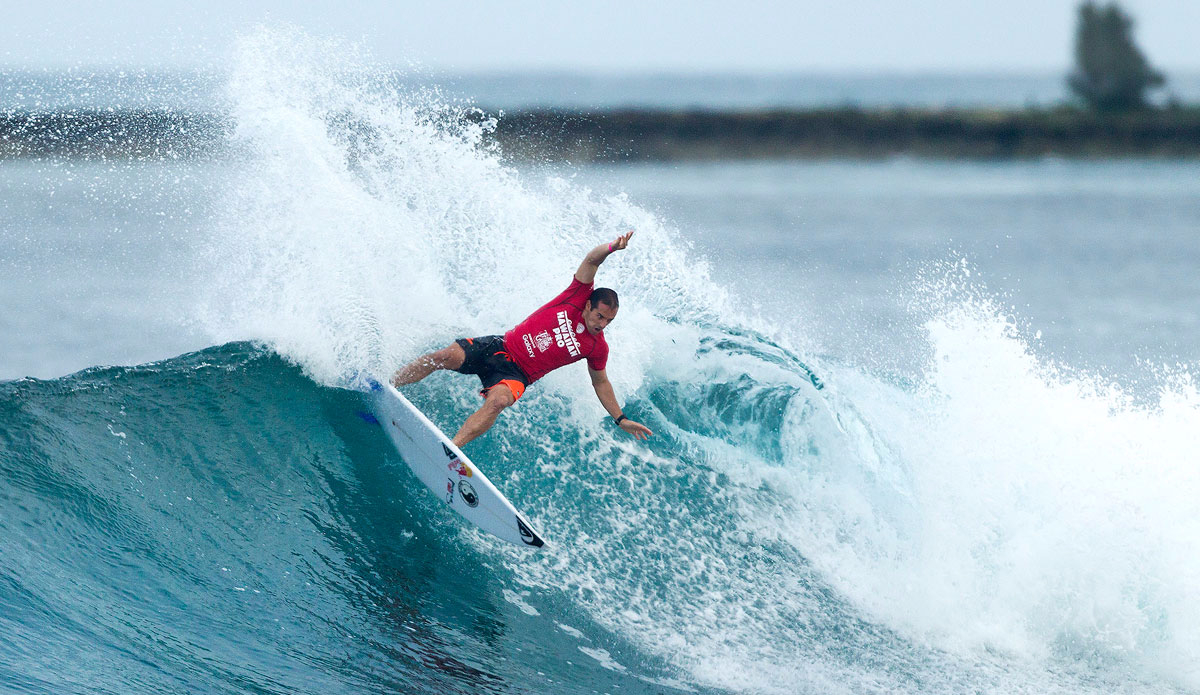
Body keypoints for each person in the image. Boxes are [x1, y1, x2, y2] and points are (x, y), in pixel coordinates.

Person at [390, 232, 654, 448]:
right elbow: (591, 261)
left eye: (609, 321)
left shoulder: (597, 346)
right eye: (600, 316)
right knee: (442, 357)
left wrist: (620, 419)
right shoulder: (576, 294)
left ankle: (450, 450)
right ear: (587, 305)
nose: (602, 324)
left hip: (517, 374)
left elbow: (601, 381)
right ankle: (387, 385)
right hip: (498, 347)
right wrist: (611, 247)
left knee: (499, 402)